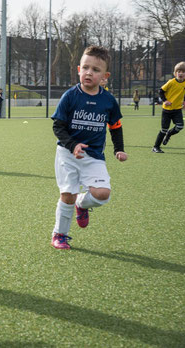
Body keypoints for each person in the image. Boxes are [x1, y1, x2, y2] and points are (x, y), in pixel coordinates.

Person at [50, 45, 128, 250]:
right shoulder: (70, 96)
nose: (89, 73)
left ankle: (82, 204)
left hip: (93, 156)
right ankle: (60, 234)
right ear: (78, 69)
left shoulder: (108, 101)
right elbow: (58, 126)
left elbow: (116, 126)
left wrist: (118, 149)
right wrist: (73, 145)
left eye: (95, 69)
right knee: (67, 194)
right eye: (85, 68)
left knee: (103, 194)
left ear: (105, 76)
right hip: (67, 154)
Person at [152, 61, 185, 153]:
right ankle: (156, 147)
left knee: (180, 126)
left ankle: (169, 134)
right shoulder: (171, 82)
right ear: (175, 73)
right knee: (163, 129)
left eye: (182, 71)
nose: (180, 73)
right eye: (178, 71)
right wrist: (165, 101)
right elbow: (161, 91)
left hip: (177, 109)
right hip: (167, 110)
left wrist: (184, 101)